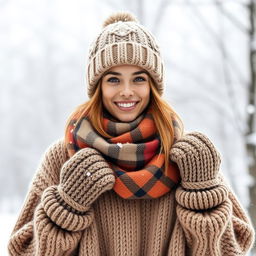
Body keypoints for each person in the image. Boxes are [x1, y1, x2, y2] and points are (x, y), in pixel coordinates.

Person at [8, 11, 255, 256]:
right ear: (98, 87)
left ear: (153, 86)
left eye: (138, 79)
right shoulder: (64, 156)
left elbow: (231, 249)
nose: (127, 91)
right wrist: (67, 206)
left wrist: (202, 193)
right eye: (113, 80)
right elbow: (23, 250)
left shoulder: (186, 156)